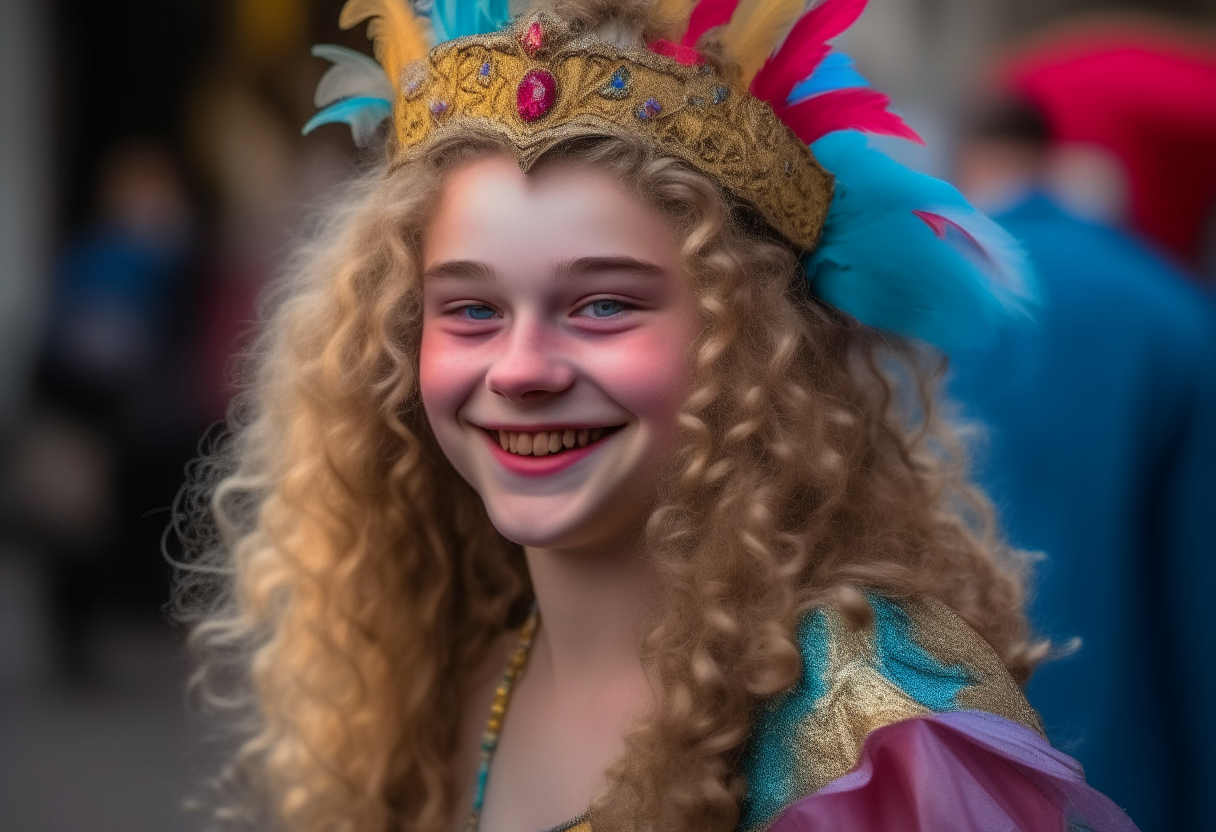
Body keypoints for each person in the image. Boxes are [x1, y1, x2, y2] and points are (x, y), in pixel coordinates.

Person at [175, 2, 1140, 831]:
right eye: (470, 309)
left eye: (604, 305)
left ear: (750, 342)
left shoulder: (869, 734)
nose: (521, 369)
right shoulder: (452, 672)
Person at [952, 98, 1216, 832]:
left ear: (968, 157)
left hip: (941, 760)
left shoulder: (899, 303)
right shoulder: (1168, 302)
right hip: (1131, 773)